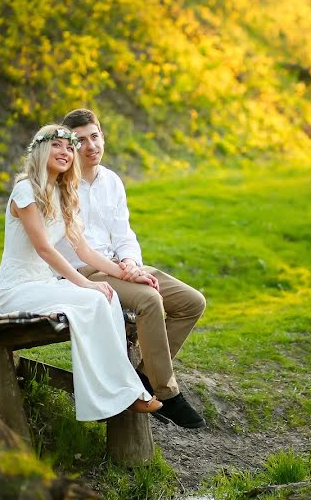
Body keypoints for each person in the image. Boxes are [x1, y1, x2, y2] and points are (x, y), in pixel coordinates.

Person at [0, 123, 163, 422]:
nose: (65, 152)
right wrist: (86, 283)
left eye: (69, 147)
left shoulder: (63, 194)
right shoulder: (25, 190)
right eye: (56, 145)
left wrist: (126, 274)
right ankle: (120, 395)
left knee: (107, 298)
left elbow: (85, 251)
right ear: (41, 149)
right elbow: (45, 249)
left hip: (43, 285)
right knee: (94, 298)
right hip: (17, 290)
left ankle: (120, 395)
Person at [57, 108, 207, 429]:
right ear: (69, 146)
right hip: (84, 273)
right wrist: (123, 271)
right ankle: (168, 394)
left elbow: (124, 235)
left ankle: (144, 378)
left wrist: (129, 263)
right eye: (80, 141)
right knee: (149, 300)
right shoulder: (62, 187)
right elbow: (78, 250)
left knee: (191, 302)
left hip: (120, 268)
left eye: (95, 136)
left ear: (103, 136)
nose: (91, 145)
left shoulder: (112, 181)